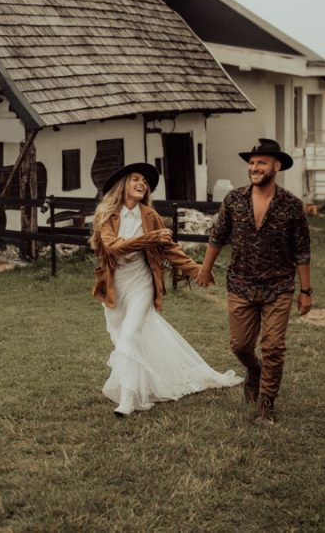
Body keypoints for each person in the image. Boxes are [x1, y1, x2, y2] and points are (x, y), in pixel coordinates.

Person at [91, 162, 242, 417]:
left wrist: (198, 270)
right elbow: (114, 247)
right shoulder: (105, 215)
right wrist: (152, 238)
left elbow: (170, 249)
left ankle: (128, 400)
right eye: (136, 179)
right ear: (123, 186)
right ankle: (144, 385)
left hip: (142, 284)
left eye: (145, 182)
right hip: (114, 287)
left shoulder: (151, 216)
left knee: (129, 336)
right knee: (126, 340)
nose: (142, 184)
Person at [196, 138, 313, 425]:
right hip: (240, 284)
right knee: (240, 346)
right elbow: (217, 236)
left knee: (273, 347)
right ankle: (254, 369)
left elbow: (302, 251)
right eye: (251, 162)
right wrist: (205, 268)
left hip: (279, 286)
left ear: (276, 166)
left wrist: (306, 291)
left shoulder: (292, 206)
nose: (254, 167)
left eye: (261, 162)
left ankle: (266, 405)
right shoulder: (234, 199)